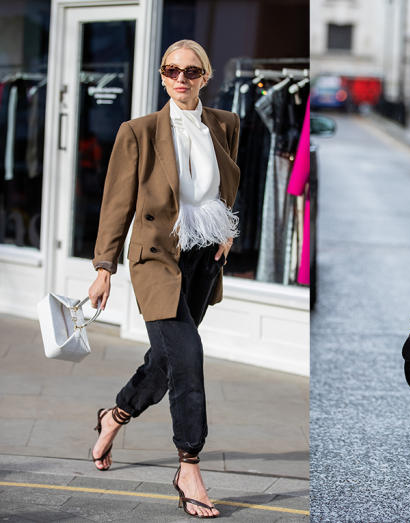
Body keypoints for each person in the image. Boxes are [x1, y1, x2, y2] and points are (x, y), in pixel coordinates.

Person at [87, 39, 241, 518]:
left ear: (205, 77)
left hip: (203, 255)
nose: (181, 78)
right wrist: (103, 268)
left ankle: (114, 415)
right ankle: (189, 464)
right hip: (156, 256)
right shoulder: (137, 132)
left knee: (165, 359)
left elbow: (228, 183)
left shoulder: (226, 124)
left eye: (191, 72)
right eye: (171, 70)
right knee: (188, 356)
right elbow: (116, 204)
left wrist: (227, 230)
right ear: (161, 76)